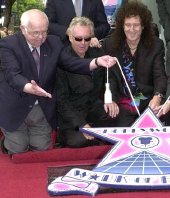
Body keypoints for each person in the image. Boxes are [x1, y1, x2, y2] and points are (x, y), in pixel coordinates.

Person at [0, 9, 116, 154]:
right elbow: (12, 75)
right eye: (35, 32)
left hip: (41, 106)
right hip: (14, 106)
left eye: (44, 31)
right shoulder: (7, 44)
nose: (41, 37)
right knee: (18, 148)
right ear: (23, 29)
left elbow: (70, 62)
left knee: (41, 148)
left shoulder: (53, 42)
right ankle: (6, 142)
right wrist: (29, 87)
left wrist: (96, 61)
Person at [102, 1, 167, 127]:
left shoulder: (156, 45)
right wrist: (111, 100)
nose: (132, 30)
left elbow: (160, 75)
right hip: (122, 102)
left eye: (136, 25)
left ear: (143, 26)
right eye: (128, 25)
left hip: (148, 101)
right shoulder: (109, 45)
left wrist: (157, 96)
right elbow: (109, 77)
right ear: (122, 26)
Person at [56, 16, 115, 148]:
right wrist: (81, 124)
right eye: (78, 38)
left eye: (87, 38)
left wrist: (111, 99)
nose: (83, 43)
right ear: (70, 37)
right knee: (78, 141)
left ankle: (96, 135)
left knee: (117, 119)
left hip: (93, 107)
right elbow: (62, 101)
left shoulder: (97, 52)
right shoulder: (62, 58)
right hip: (72, 113)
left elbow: (109, 77)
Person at [44, 0, 110, 47]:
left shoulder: (95, 1)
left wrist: (89, 36)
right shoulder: (54, 1)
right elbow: (47, 24)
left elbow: (104, 26)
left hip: (89, 51)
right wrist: (67, 31)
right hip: (63, 50)